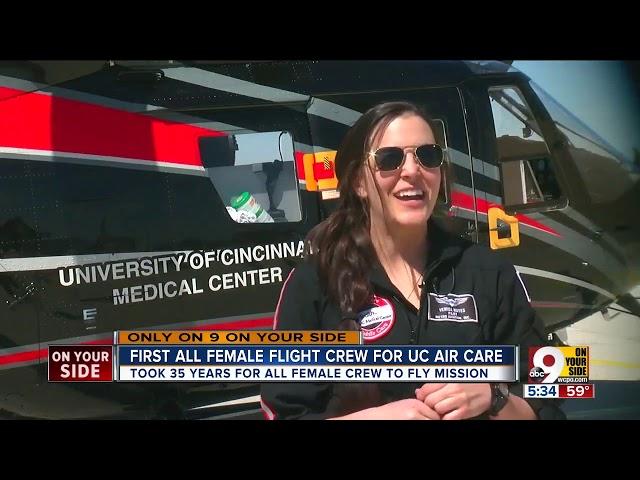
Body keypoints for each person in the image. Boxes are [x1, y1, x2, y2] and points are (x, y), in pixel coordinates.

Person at [260, 101, 565, 420]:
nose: (412, 170)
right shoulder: (314, 282)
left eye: (428, 155)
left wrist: (495, 397)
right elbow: (281, 412)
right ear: (358, 182)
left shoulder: (488, 271)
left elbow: (565, 380)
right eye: (389, 159)